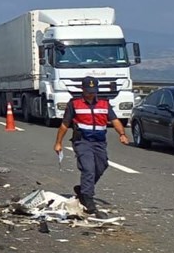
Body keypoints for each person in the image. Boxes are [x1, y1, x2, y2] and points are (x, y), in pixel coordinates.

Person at [53, 76, 128, 214]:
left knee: (101, 165)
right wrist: (58, 143)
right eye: (88, 91)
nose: (91, 94)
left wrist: (122, 134)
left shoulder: (104, 104)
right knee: (88, 168)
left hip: (99, 141)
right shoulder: (74, 104)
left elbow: (115, 120)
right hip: (82, 141)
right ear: (82, 89)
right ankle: (87, 199)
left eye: (93, 91)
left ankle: (82, 190)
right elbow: (64, 125)